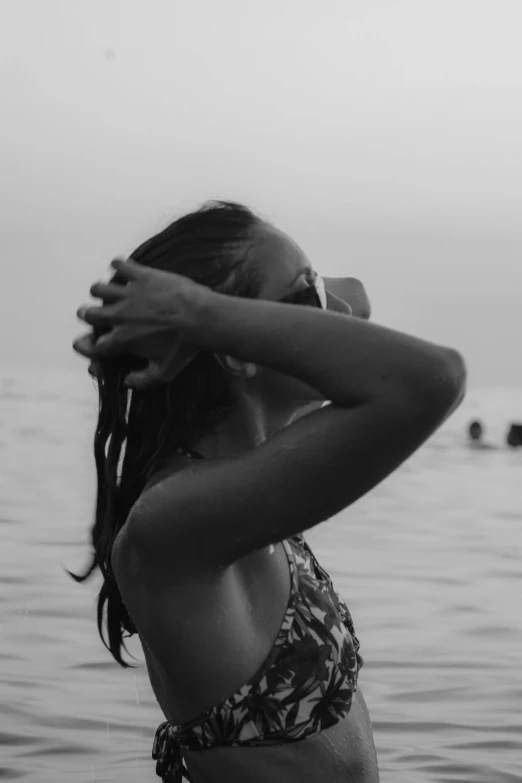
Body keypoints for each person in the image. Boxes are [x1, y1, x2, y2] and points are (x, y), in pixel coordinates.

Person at [72, 201, 466, 783]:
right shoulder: (173, 520)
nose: (330, 312)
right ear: (232, 346)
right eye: (305, 294)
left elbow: (354, 297)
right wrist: (203, 313)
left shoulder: (252, 480)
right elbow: (434, 379)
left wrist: (219, 311)